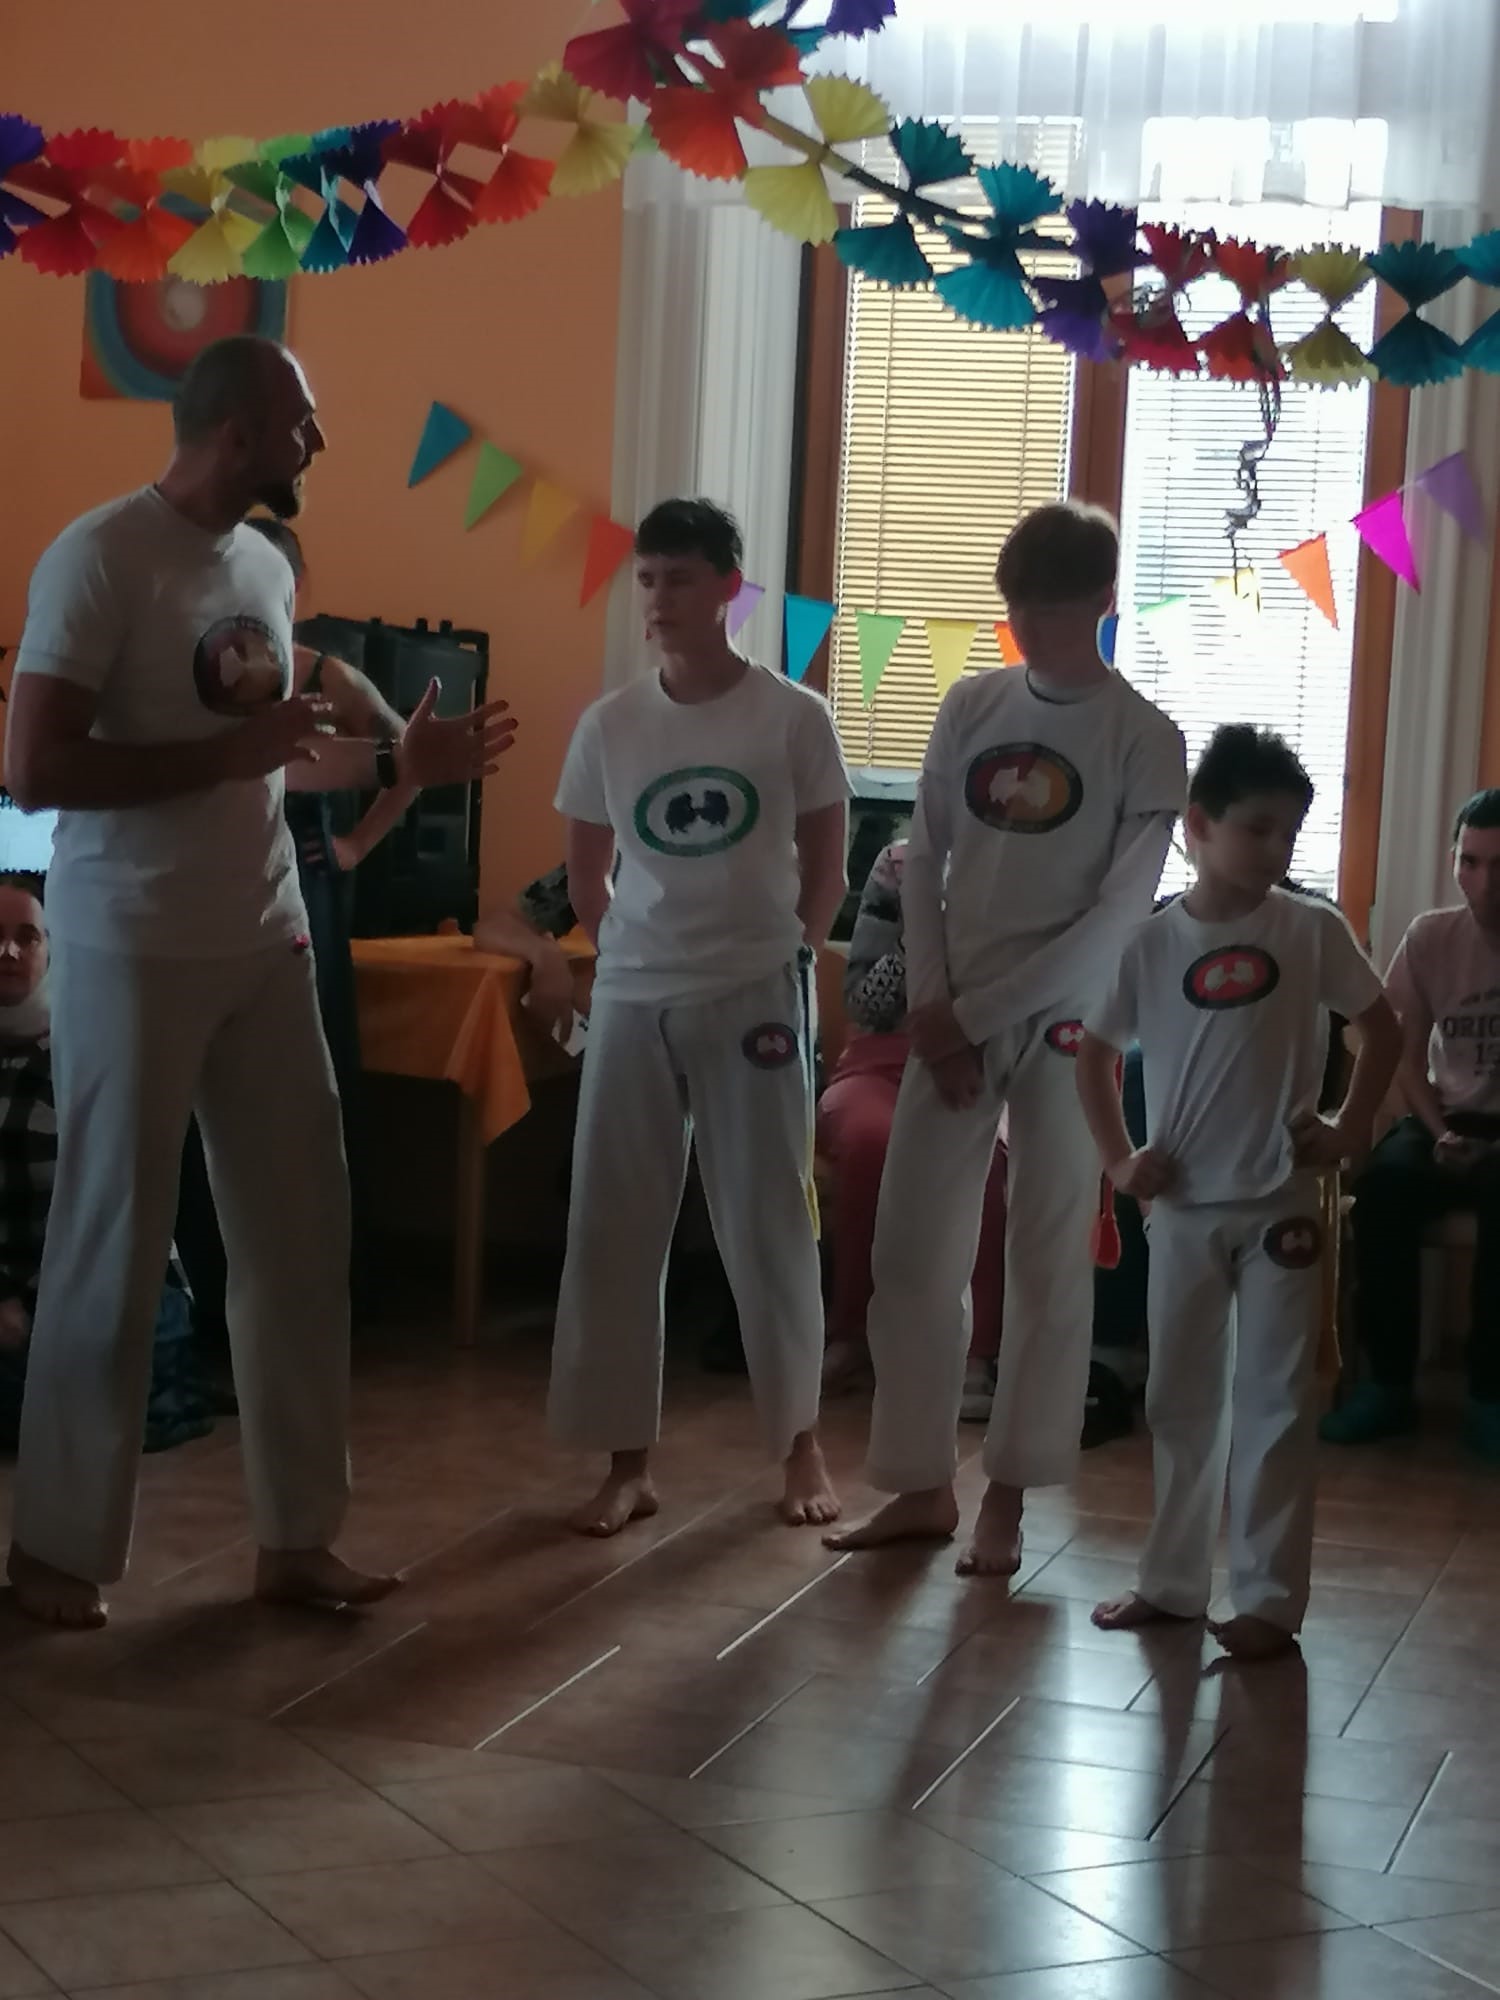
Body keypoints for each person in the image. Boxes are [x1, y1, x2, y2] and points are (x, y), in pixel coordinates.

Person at [3, 332, 516, 1627]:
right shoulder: (99, 556)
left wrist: (404, 760)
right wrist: (231, 759)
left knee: (301, 1235)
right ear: (236, 431)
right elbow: (36, 768)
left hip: (265, 935)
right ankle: (57, 1556)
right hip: (132, 943)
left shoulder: (263, 568)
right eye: (304, 423)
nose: (319, 443)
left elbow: (275, 751)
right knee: (112, 1245)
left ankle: (297, 1539)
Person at [827, 502, 1185, 1573]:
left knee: (1045, 1257)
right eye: (1019, 605)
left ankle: (1010, 1501)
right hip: (956, 1018)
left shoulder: (1144, 736)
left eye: (1055, 608)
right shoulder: (971, 703)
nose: (1032, 625)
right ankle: (920, 1484)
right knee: (910, 1253)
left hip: (1069, 1023)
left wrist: (974, 1018)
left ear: (1104, 602)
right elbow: (923, 860)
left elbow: (1116, 919)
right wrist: (938, 1010)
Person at [548, 497, 850, 1536]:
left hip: (757, 988)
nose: (658, 598)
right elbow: (585, 874)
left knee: (770, 1217)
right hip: (635, 996)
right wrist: (630, 953)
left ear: (728, 587)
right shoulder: (611, 724)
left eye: (679, 578)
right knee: (614, 1221)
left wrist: (793, 956)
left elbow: (828, 863)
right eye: (646, 579)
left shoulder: (794, 716)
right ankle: (626, 1462)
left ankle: (800, 1443)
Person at [1077, 726, 1399, 1660]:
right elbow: (1093, 1056)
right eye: (1258, 829)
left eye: (1289, 834)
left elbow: (1383, 1027)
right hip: (1181, 1206)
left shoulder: (1310, 929)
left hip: (1282, 1202)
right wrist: (1120, 1161)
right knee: (1180, 1398)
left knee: (1276, 1399)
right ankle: (1171, 1582)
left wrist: (1349, 1129)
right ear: (1198, 826)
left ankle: (1266, 1599)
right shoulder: (1150, 943)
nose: (1276, 850)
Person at [1323, 788, 1500, 1458]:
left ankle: (1489, 1396)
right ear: (1454, 861)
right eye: (1470, 862)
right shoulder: (1431, 937)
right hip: (1442, 1117)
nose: (1485, 883)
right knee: (1383, 1192)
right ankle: (1387, 1387)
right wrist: (1439, 1130)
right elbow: (1400, 1048)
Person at [817, 838, 1009, 1418]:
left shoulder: (1026, 866)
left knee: (986, 1158)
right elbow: (863, 1003)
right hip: (878, 1062)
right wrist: (924, 940)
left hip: (982, 1063)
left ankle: (976, 1353)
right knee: (870, 1143)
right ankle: (853, 1335)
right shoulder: (898, 864)